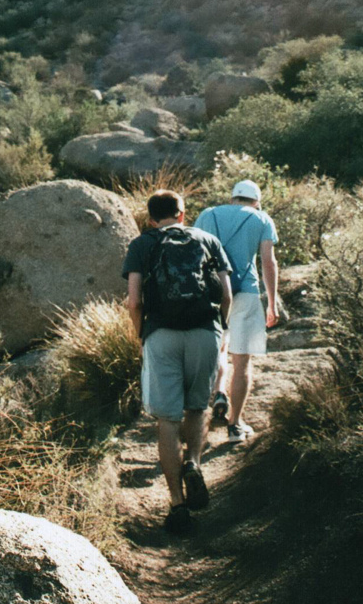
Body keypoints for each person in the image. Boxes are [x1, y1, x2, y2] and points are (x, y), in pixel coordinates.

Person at [123, 190, 232, 533]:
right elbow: (226, 295)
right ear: (183, 214)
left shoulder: (142, 244)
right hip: (204, 332)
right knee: (197, 408)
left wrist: (143, 334)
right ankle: (194, 463)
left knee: (167, 420)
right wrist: (221, 330)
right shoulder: (208, 240)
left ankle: (176, 505)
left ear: (151, 219)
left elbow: (133, 301)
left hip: (161, 335)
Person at [194, 180, 279, 444]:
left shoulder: (207, 214)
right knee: (242, 362)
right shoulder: (262, 218)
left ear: (232, 198)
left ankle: (209, 406)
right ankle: (235, 425)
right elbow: (268, 261)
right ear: (256, 201)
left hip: (209, 294)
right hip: (246, 293)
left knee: (218, 350)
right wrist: (273, 302)